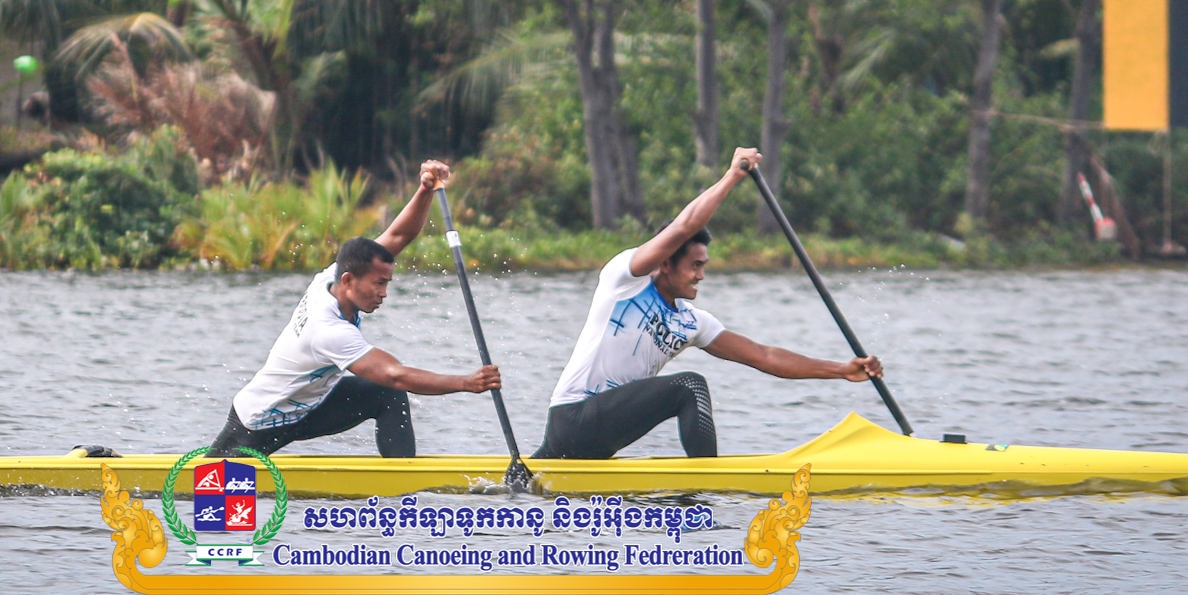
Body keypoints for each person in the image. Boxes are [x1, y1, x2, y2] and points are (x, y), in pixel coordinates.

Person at [533, 146, 883, 461]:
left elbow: (765, 356)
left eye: (704, 266)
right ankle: (706, 485)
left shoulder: (692, 322)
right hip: (573, 417)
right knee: (689, 386)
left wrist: (840, 370)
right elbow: (686, 225)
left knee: (686, 387)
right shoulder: (624, 281)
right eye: (694, 266)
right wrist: (732, 176)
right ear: (666, 262)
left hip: (598, 439)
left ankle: (696, 481)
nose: (701, 276)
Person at [208, 160, 500, 458]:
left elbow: (398, 237)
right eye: (378, 284)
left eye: (387, 283)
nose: (384, 293)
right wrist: (466, 383)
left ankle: (402, 482)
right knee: (214, 497)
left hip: (309, 406)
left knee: (386, 395)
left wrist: (425, 189)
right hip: (259, 422)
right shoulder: (328, 331)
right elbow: (397, 374)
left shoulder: (333, 276)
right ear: (349, 281)